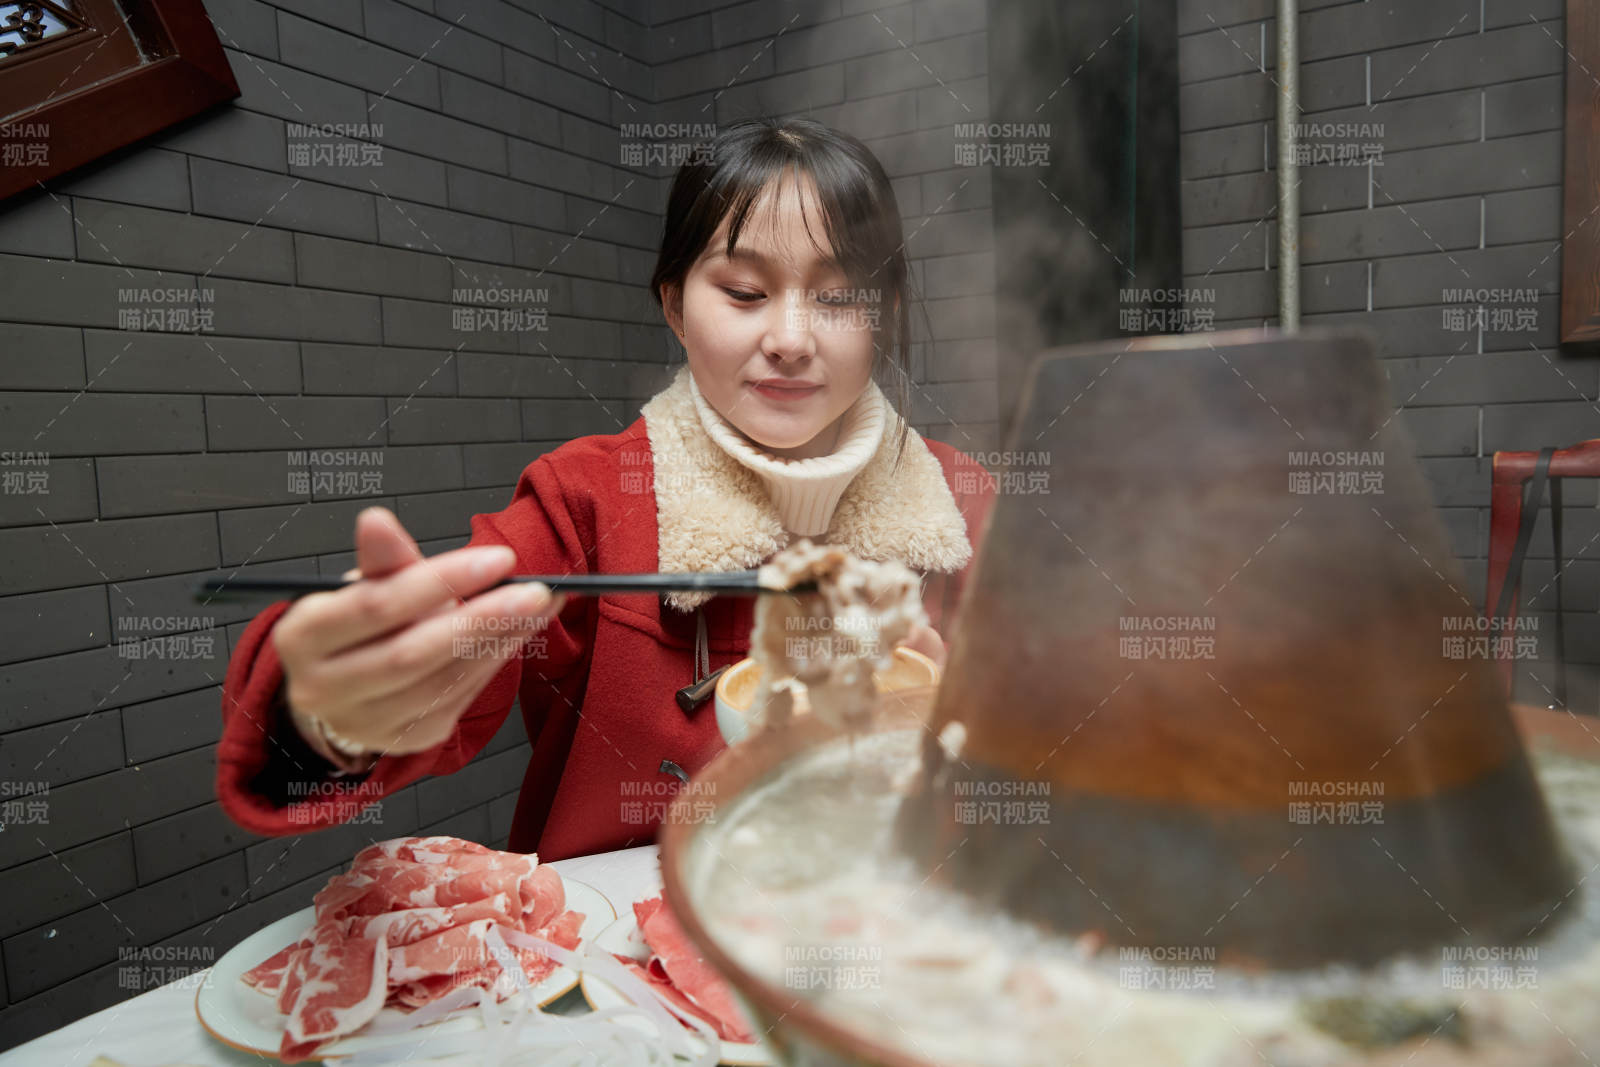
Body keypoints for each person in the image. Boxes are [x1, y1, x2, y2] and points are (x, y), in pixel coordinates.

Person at [215, 117, 997, 860]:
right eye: (745, 293)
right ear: (675, 307)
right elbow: (450, 654)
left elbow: (1066, 756)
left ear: (885, 313)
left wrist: (972, 737)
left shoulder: (963, 503)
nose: (790, 339)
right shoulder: (585, 498)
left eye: (837, 297)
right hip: (620, 974)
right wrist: (332, 714)